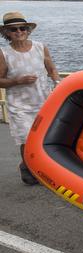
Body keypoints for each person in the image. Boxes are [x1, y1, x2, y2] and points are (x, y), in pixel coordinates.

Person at [0, 11, 61, 185]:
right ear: (7, 33)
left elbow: (51, 69)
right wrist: (16, 81)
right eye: (13, 29)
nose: (18, 32)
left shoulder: (40, 47)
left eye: (22, 28)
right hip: (19, 104)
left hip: (43, 101)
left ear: (28, 30)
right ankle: (27, 168)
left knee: (44, 137)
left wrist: (58, 82)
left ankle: (39, 167)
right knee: (27, 138)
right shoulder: (4, 54)